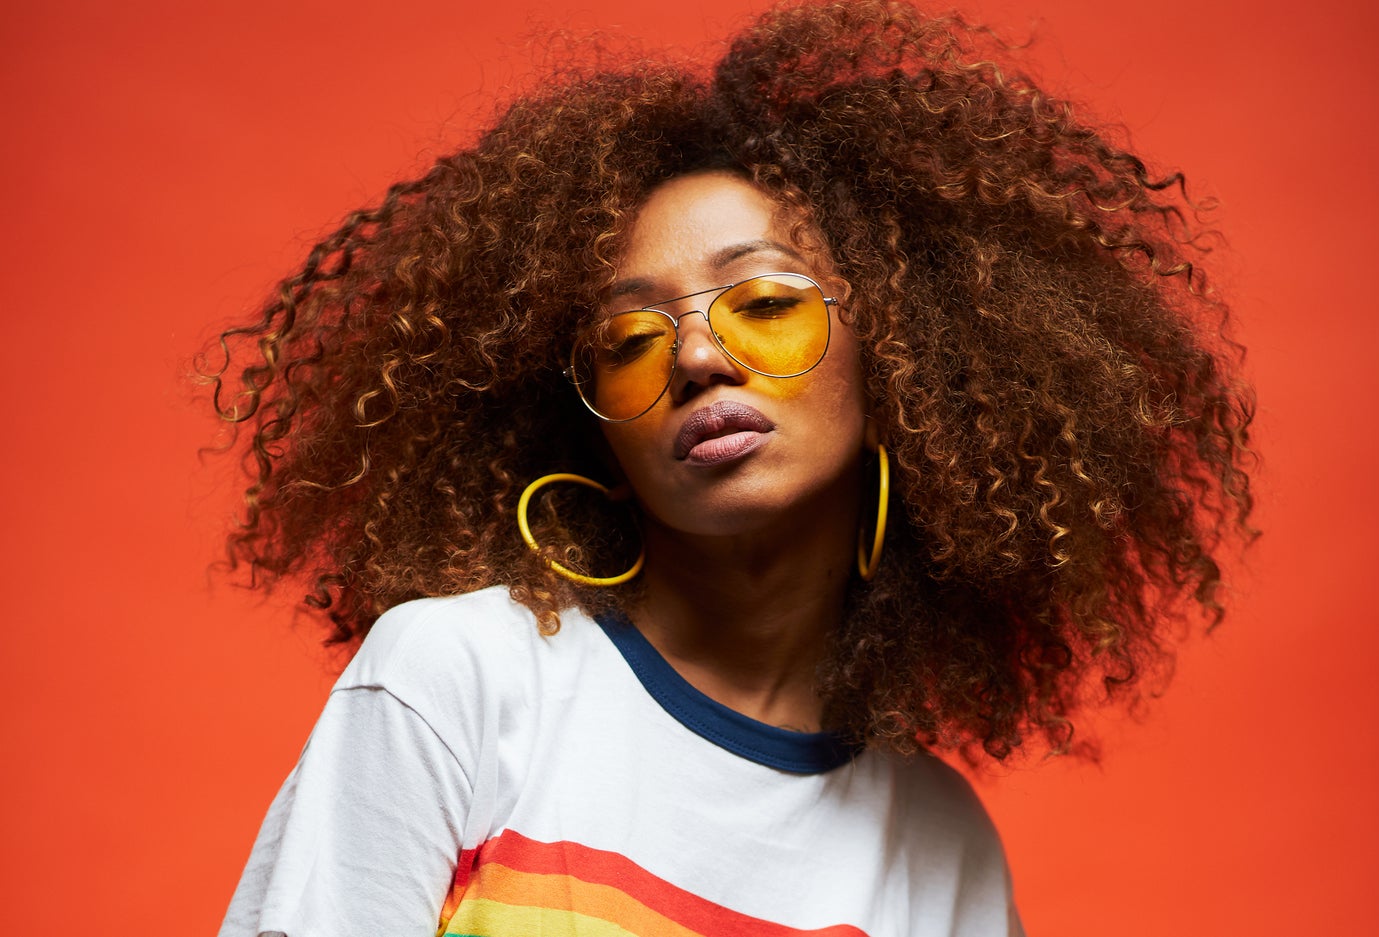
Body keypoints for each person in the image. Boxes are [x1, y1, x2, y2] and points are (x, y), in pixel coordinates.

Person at [209, 1, 1255, 934]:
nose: (698, 357)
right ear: (593, 435)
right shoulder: (456, 681)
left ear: (909, 360)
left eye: (763, 304)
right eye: (627, 340)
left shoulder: (939, 854)